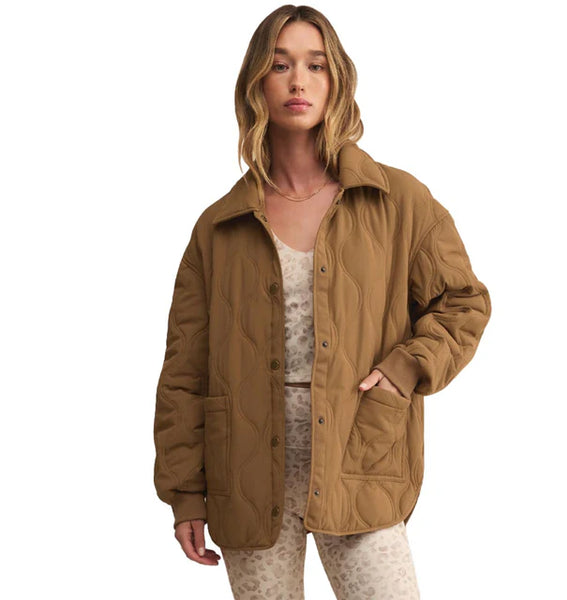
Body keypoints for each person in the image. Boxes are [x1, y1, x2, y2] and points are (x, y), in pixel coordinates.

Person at [153, 5, 492, 599]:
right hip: (245, 473)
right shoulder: (219, 227)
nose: (298, 81)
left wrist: (405, 369)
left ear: (337, 79)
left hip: (360, 457)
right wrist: (185, 491)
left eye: (315, 65)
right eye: (280, 64)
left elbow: (463, 302)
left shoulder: (397, 201)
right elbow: (184, 370)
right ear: (256, 82)